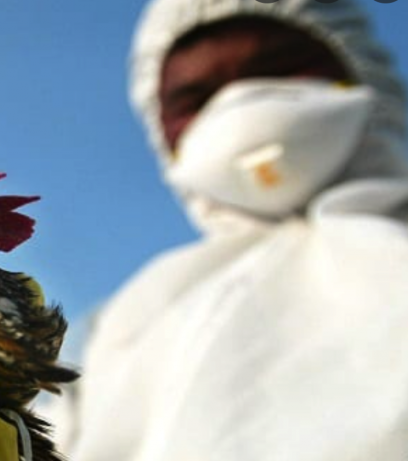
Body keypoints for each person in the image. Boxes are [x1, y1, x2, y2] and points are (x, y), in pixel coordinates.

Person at [45, 0, 408, 459]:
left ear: (360, 70)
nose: (240, 104)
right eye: (196, 101)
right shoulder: (118, 327)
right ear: (163, 134)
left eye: (277, 69)